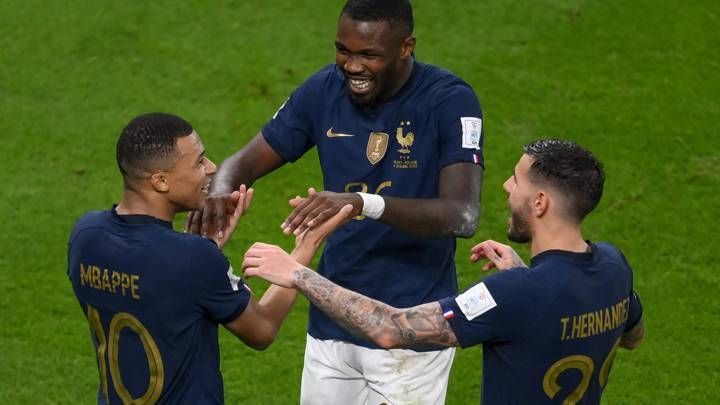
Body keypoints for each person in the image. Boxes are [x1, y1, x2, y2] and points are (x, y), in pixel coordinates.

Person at [193, 0, 484, 403]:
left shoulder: (449, 100)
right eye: (343, 50)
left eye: (369, 54)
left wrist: (363, 204)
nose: (351, 65)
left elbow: (462, 215)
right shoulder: (324, 89)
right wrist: (219, 194)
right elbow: (243, 162)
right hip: (332, 320)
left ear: (407, 46)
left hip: (410, 331)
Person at [244, 139, 646, 404]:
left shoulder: (515, 293)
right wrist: (527, 283)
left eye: (517, 180)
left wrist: (297, 272)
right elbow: (631, 336)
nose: (506, 186)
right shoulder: (614, 266)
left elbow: (393, 329)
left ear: (539, 203)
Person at [67, 113, 343, 404]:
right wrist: (306, 245)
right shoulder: (191, 258)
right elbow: (261, 330)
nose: (212, 168)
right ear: (161, 181)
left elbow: (155, 292)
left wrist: (206, 250)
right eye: (199, 162)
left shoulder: (86, 234)